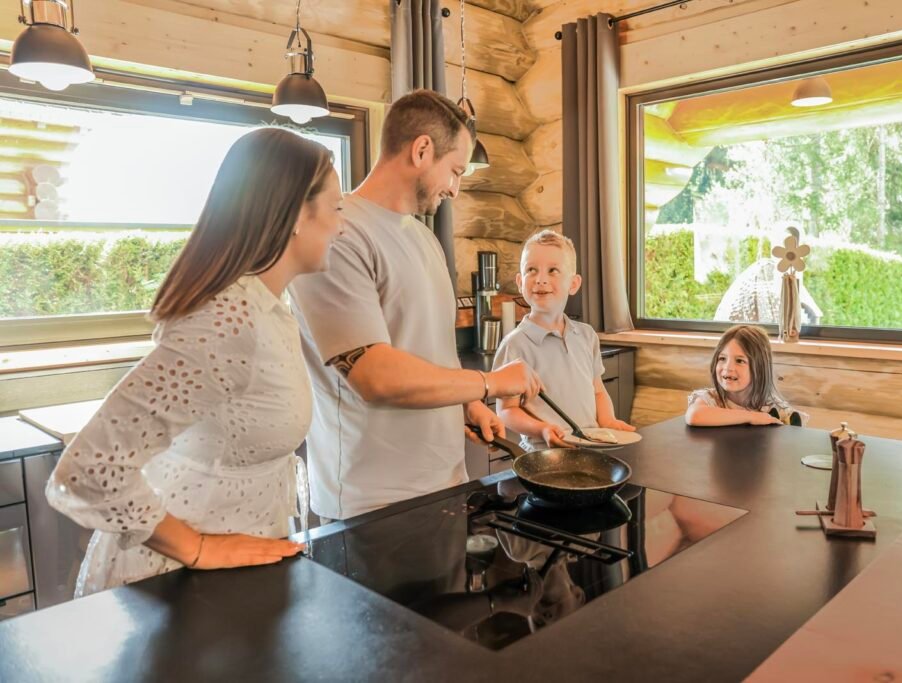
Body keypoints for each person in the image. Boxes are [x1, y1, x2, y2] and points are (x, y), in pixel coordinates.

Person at [46, 128, 343, 596]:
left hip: (235, 574)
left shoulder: (268, 309)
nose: (341, 227)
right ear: (295, 216)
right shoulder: (229, 319)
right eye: (336, 209)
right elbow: (91, 470)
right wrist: (197, 548)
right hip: (174, 583)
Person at [289, 89, 542, 521]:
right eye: (455, 170)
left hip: (444, 483)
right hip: (370, 502)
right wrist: (489, 383)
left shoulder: (425, 238)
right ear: (422, 150)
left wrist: (466, 404)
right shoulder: (339, 235)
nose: (455, 189)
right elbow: (374, 376)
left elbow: (430, 350)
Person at [493, 230, 635, 450]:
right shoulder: (514, 345)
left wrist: (608, 422)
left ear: (573, 284)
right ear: (520, 282)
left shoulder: (587, 336)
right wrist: (541, 429)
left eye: (553, 271)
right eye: (531, 270)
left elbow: (598, 391)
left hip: (590, 449)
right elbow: (506, 410)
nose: (541, 279)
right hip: (543, 455)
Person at [685, 324, 806, 427]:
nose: (728, 367)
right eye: (722, 358)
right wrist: (752, 417)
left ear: (759, 368)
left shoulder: (772, 406)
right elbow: (694, 416)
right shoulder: (711, 399)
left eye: (739, 361)